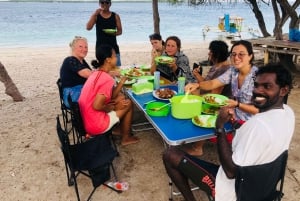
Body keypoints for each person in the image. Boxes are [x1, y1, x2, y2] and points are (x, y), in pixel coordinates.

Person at [163, 63, 295, 201]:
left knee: (170, 154)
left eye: (267, 86)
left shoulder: (258, 125)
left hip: (234, 191)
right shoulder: (287, 113)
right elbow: (258, 140)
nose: (258, 91)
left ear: (283, 91)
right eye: (256, 85)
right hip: (263, 186)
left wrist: (220, 127)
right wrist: (236, 123)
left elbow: (230, 171)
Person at [78, 44, 139, 146]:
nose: (117, 57)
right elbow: (97, 105)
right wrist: (108, 108)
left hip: (86, 119)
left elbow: (111, 95)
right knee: (128, 103)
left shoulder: (96, 73)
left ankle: (119, 129)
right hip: (96, 125)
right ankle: (126, 137)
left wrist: (122, 81)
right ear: (108, 60)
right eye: (115, 56)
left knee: (120, 98)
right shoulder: (106, 79)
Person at [186, 40, 259, 122]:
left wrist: (238, 105)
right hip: (234, 118)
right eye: (233, 54)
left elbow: (259, 110)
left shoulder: (259, 77)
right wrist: (197, 85)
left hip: (251, 122)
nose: (236, 57)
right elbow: (213, 83)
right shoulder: (233, 71)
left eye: (241, 54)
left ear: (250, 56)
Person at [184, 40, 231, 156]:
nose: (208, 55)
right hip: (207, 95)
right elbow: (207, 83)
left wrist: (196, 96)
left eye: (210, 53)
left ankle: (198, 147)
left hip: (218, 104)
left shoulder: (224, 70)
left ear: (216, 54)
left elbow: (214, 97)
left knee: (204, 110)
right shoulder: (216, 66)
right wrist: (197, 75)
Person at [86, 0, 122, 67]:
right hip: (101, 49)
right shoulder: (96, 16)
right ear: (99, 4)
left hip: (113, 48)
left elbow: (120, 31)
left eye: (107, 2)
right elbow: (88, 27)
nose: (104, 4)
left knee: (116, 71)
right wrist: (94, 14)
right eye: (102, 2)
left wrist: (113, 33)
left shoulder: (115, 16)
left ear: (110, 4)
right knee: (103, 71)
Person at [60, 36, 92, 108]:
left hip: (82, 92)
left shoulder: (82, 61)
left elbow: (93, 75)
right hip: (72, 96)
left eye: (86, 47)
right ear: (73, 48)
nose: (84, 49)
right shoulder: (70, 60)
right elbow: (89, 74)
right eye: (80, 46)